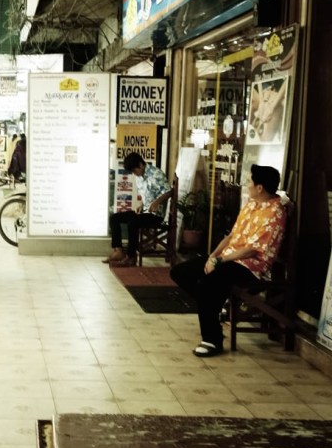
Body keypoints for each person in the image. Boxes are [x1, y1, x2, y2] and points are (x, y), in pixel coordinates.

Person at [170, 165, 287, 358]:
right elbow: (232, 235)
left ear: (260, 188)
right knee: (180, 272)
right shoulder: (251, 204)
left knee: (209, 284)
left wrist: (220, 261)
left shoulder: (275, 212)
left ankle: (212, 339)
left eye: (250, 181)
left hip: (251, 266)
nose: (247, 185)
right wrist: (213, 256)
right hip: (230, 258)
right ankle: (214, 308)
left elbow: (252, 249)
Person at [104, 151, 172, 267]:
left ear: (141, 165)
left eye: (135, 171)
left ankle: (131, 257)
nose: (135, 174)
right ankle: (118, 251)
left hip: (156, 215)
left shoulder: (156, 173)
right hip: (144, 211)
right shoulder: (139, 177)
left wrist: (157, 202)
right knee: (114, 218)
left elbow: (169, 191)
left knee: (133, 223)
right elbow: (147, 194)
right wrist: (141, 204)